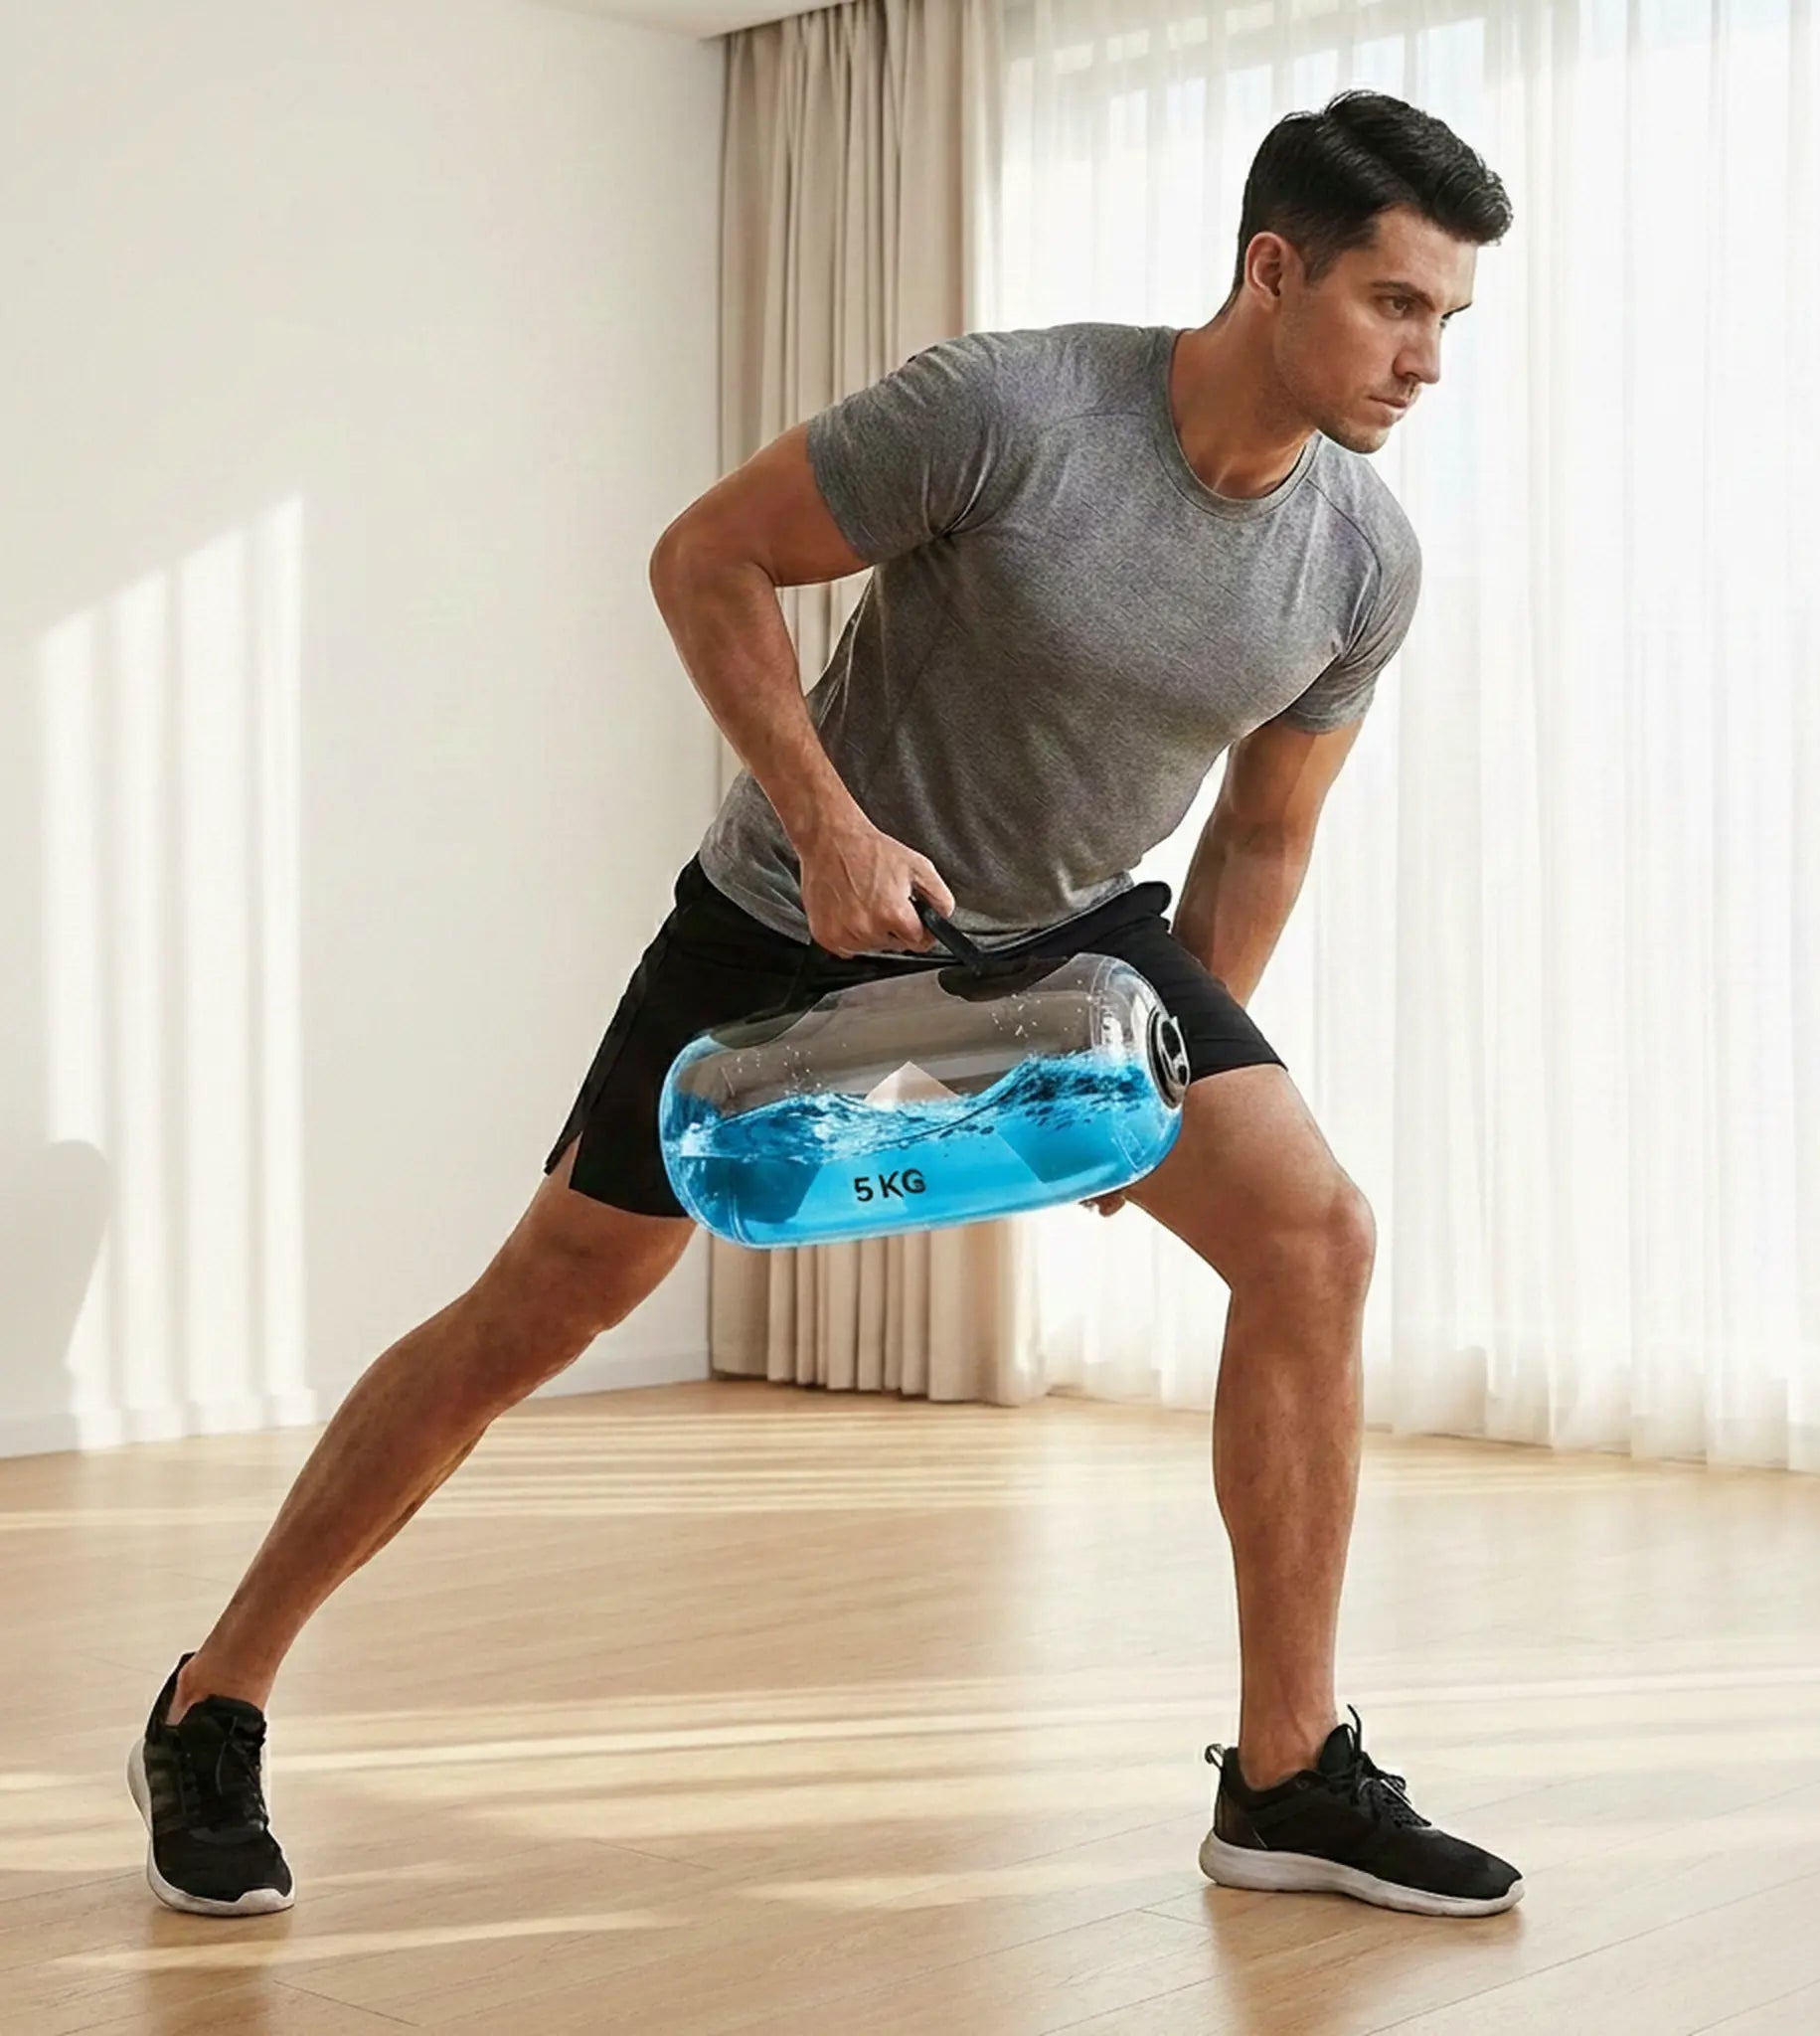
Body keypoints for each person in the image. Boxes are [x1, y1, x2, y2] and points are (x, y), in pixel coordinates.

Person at [130, 88, 1523, 1921]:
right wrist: (832, 824)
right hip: (797, 916)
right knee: (544, 1303)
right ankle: (213, 1696)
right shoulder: (1010, 409)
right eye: (1397, 306)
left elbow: (1264, 834)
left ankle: (1283, 1780)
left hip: (1072, 935)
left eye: (1450, 322)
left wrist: (1151, 1071)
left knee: (1315, 1235)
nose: (1426, 360)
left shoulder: (1363, 559)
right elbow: (703, 556)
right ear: (1275, 271)